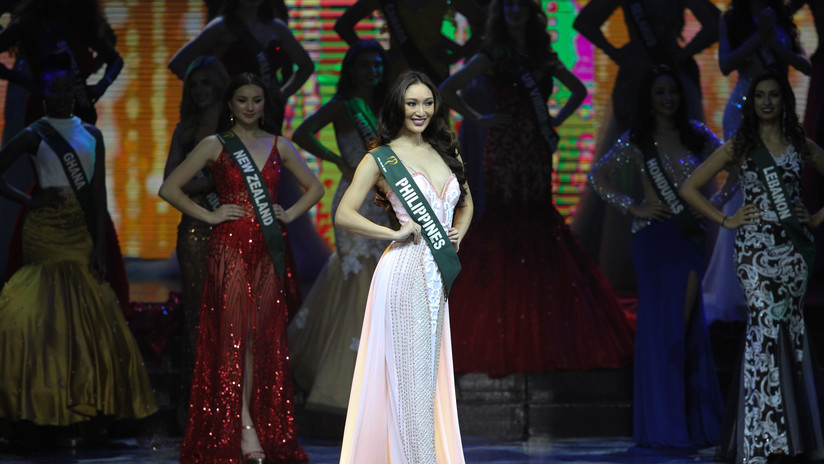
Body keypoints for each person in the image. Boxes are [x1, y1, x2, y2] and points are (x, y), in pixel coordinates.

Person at [439, 0, 634, 375]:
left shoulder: (541, 55)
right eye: (507, 4)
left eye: (520, 4)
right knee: (504, 220)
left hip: (535, 148)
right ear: (500, 12)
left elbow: (576, 90)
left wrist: (554, 119)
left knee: (537, 218)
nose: (514, 9)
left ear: (531, 12)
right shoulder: (492, 54)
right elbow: (449, 89)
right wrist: (480, 119)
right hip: (505, 148)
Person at [159, 73, 322, 464]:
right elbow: (169, 188)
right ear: (229, 105)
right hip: (228, 249)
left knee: (258, 339)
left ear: (264, 104)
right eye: (242, 100)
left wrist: (289, 212)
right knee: (232, 337)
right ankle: (244, 425)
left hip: (267, 250)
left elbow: (315, 188)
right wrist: (211, 215)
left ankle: (255, 422)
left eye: (256, 100)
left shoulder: (280, 145)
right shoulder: (215, 144)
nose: (250, 107)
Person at [0, 66, 157, 442]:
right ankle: (38, 402)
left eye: (68, 88)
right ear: (44, 93)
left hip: (81, 227)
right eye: (54, 89)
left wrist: (100, 245)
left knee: (90, 305)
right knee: (40, 306)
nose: (62, 95)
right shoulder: (32, 134)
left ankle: (85, 400)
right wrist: (28, 199)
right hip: (45, 226)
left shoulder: (92, 134)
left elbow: (99, 193)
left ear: (75, 92)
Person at [680, 72, 824, 464]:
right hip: (755, 255)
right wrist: (725, 220)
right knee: (763, 331)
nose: (765, 102)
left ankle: (791, 435)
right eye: (759, 95)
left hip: (793, 253)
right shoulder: (740, 146)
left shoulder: (801, 145)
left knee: (790, 331)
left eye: (773, 95)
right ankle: (762, 435)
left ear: (784, 100)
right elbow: (690, 187)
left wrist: (814, 218)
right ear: (752, 101)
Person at [335, 70, 472, 463]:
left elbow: (466, 203)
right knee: (410, 385)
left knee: (426, 383)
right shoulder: (381, 157)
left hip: (437, 278)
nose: (421, 110)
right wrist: (391, 234)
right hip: (406, 272)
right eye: (412, 103)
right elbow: (344, 214)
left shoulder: (448, 150)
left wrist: (458, 231)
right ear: (398, 105)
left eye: (427, 103)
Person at [588, 65, 725, 448]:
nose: (668, 98)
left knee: (685, 330)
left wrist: (713, 206)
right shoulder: (637, 139)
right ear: (649, 98)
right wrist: (634, 207)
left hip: (687, 240)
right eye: (660, 92)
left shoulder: (697, 136)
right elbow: (598, 177)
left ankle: (689, 424)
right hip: (652, 241)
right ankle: (664, 429)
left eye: (673, 92)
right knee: (659, 333)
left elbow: (739, 167)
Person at [169, 0, 329, 291]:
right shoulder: (222, 27)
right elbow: (180, 64)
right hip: (231, 127)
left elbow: (305, 65)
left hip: (265, 125)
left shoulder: (275, 28)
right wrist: (219, 91)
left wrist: (280, 93)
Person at [571, 0, 719, 289]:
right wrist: (620, 54)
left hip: (665, 80)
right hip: (637, 83)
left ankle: (682, 253)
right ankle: (624, 263)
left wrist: (682, 53)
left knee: (680, 158)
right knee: (629, 168)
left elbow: (714, 23)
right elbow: (584, 22)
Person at [287, 40, 392, 413]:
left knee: (378, 278)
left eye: (378, 65)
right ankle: (345, 383)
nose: (372, 72)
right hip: (355, 200)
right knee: (357, 276)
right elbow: (301, 134)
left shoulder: (386, 107)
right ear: (352, 69)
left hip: (387, 201)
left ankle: (382, 376)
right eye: (365, 65)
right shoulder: (343, 106)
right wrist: (338, 161)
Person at [703, 0, 813, 324]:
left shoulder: (781, 17)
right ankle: (738, 289)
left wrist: (775, 43)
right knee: (744, 194)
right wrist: (759, 37)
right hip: (743, 110)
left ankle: (775, 280)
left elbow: (805, 65)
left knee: (779, 192)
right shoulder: (732, 20)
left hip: (778, 111)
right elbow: (725, 64)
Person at [162, 56, 230, 424]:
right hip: (194, 229)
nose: (201, 91)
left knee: (232, 316)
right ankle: (198, 406)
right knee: (197, 316)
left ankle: (234, 401)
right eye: (194, 85)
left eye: (207, 83)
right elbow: (170, 182)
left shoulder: (236, 129)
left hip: (233, 231)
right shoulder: (185, 130)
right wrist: (210, 183)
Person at [334, 0, 484, 85]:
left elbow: (484, 22)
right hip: (397, 78)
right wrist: (375, 54)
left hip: (434, 75)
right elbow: (343, 26)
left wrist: (458, 55)